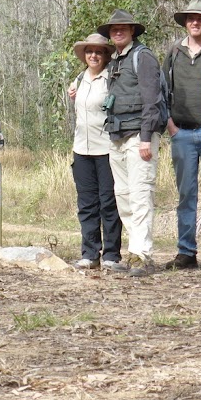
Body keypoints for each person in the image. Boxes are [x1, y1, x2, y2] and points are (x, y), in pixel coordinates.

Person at [98, 9, 167, 277]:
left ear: (132, 31)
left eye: (123, 28)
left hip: (140, 136)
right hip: (116, 136)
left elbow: (152, 100)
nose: (118, 31)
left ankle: (143, 255)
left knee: (140, 195)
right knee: (124, 198)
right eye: (114, 29)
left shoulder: (143, 57)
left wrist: (147, 138)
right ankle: (135, 250)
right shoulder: (114, 60)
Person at [162, 0, 201, 271]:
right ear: (185, 22)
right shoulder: (174, 51)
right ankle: (186, 251)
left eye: (200, 18)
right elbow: (160, 90)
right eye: (190, 18)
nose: (195, 22)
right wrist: (170, 125)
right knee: (186, 194)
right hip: (182, 132)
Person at [66, 33, 123, 270]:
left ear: (106, 55)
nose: (93, 55)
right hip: (82, 150)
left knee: (108, 203)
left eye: (99, 52)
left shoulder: (112, 78)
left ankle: (111, 254)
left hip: (107, 149)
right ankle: (89, 253)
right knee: (87, 204)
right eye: (90, 51)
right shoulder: (79, 80)